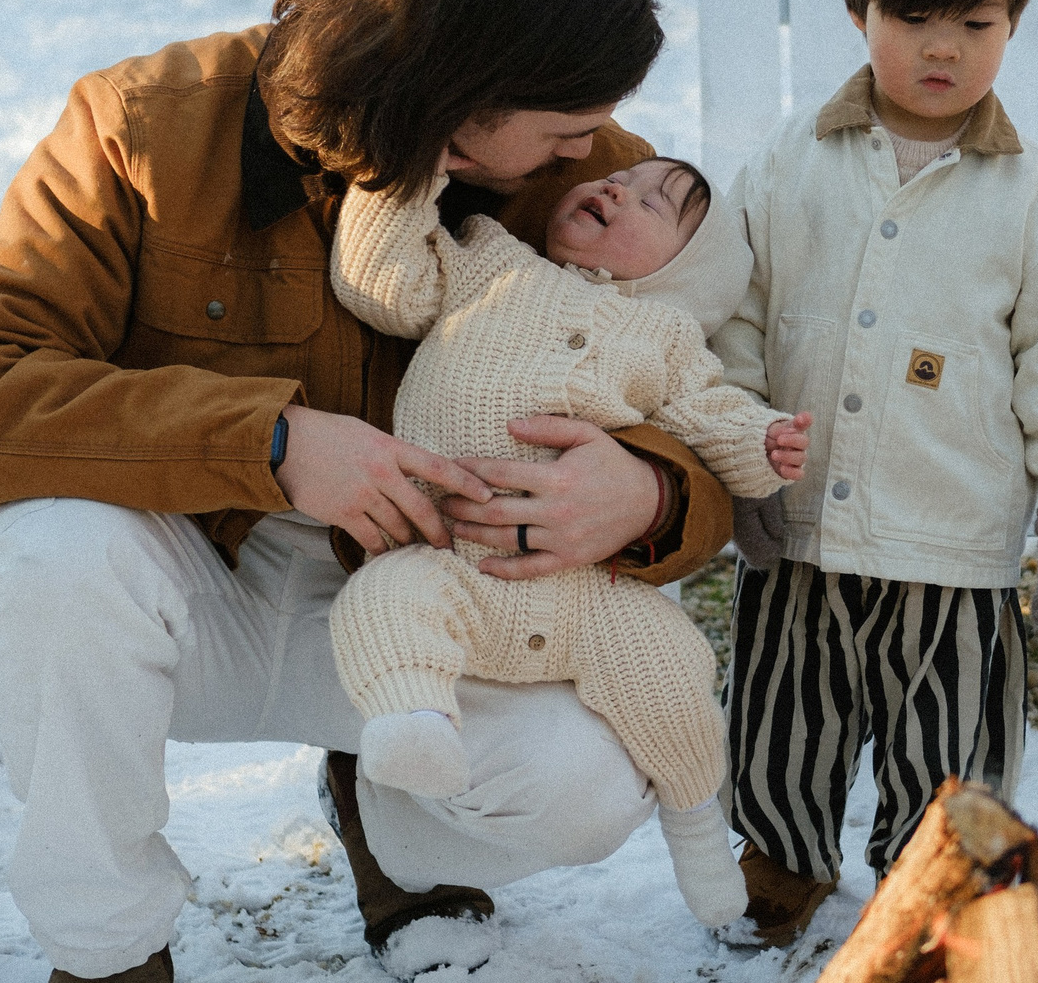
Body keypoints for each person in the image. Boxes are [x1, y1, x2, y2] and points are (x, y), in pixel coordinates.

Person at [0, 0, 736, 983]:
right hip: (193, 583)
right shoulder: (142, 126)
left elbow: (716, 404)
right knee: (42, 559)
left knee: (586, 786)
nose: (592, 154)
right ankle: (108, 956)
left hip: (435, 618)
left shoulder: (580, 180)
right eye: (566, 126)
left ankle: (397, 827)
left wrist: (650, 490)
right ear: (462, 99)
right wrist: (272, 444)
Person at [711, 0, 1038, 947]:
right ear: (860, 10)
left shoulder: (1029, 197)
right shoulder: (791, 165)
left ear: (1013, 25)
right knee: (781, 714)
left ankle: (934, 882)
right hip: (799, 526)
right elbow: (738, 315)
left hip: (954, 537)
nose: (943, 48)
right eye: (912, 18)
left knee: (946, 738)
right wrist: (743, 454)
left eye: (978, 24)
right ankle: (778, 862)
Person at [327, 154, 813, 929]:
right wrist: (406, 178)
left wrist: (764, 442)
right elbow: (385, 287)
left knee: (672, 667)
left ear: (686, 270)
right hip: (450, 555)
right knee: (383, 599)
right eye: (626, 177)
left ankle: (695, 825)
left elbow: (709, 416)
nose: (619, 186)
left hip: (583, 593)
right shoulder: (490, 256)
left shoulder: (669, 338)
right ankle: (411, 722)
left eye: (657, 203)